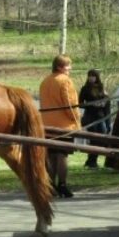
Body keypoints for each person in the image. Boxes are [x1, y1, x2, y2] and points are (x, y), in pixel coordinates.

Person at [39, 54, 81, 198]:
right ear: (59, 67)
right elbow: (70, 104)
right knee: (62, 155)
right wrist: (76, 120)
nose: (70, 68)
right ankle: (62, 185)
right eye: (68, 66)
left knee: (51, 155)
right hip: (63, 125)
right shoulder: (65, 81)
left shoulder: (45, 81)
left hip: (47, 124)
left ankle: (50, 185)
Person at [79, 69, 110, 168]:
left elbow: (107, 101)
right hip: (90, 117)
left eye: (93, 76)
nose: (91, 78)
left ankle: (91, 160)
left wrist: (104, 103)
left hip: (101, 116)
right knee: (94, 139)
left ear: (97, 77)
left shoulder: (101, 87)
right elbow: (80, 104)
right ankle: (92, 161)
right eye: (89, 75)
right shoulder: (85, 89)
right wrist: (91, 105)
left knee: (102, 139)